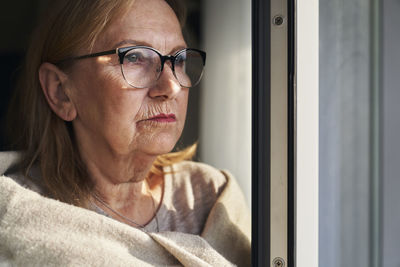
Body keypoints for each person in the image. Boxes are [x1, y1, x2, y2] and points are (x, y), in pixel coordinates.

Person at [0, 0, 250, 266]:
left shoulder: (210, 197)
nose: (170, 87)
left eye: (179, 60)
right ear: (60, 91)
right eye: (134, 57)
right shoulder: (14, 211)